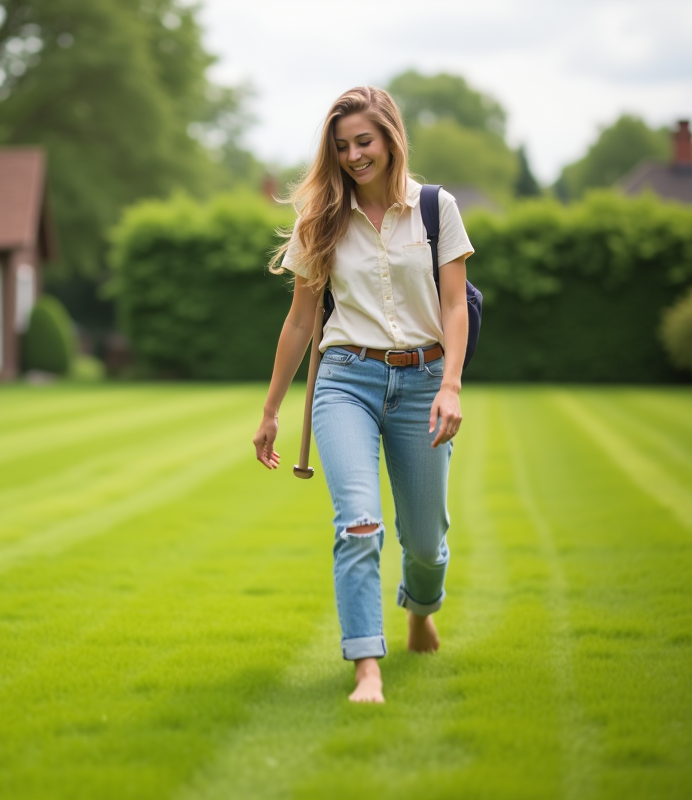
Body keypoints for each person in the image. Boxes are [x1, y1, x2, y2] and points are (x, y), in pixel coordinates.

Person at [252, 86, 474, 704]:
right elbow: (300, 323)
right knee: (357, 525)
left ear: (391, 138)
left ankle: (420, 609)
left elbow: (455, 304)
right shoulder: (319, 220)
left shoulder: (436, 209)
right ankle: (366, 667)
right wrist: (270, 411)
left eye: (364, 141)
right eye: (342, 145)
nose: (353, 155)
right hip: (346, 381)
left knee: (425, 541)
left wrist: (451, 385)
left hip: (426, 380)